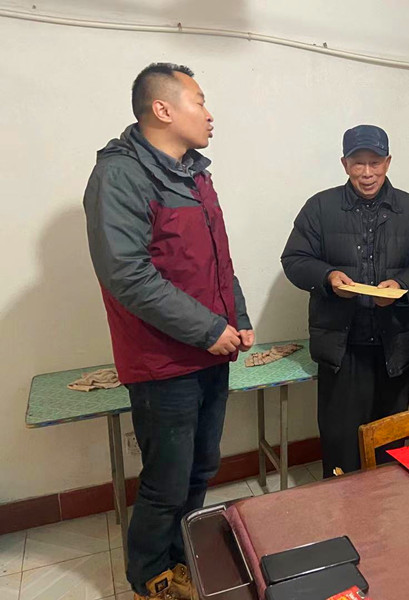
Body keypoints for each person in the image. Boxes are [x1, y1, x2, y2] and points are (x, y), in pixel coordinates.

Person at [83, 63, 253, 600]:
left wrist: (238, 318)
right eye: (199, 101)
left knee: (201, 468)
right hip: (162, 362)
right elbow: (127, 275)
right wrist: (209, 328)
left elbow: (217, 261)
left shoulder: (195, 173)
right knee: (166, 480)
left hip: (210, 350)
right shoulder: (120, 175)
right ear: (163, 109)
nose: (209, 114)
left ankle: (182, 559)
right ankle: (149, 576)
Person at [281, 125, 409, 476]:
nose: (367, 173)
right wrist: (328, 278)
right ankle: (341, 506)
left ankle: (384, 506)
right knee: (341, 445)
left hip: (395, 345)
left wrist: (400, 286)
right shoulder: (320, 207)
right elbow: (294, 259)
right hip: (342, 348)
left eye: (375, 163)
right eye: (358, 163)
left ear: (388, 162)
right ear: (344, 164)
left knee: (389, 444)